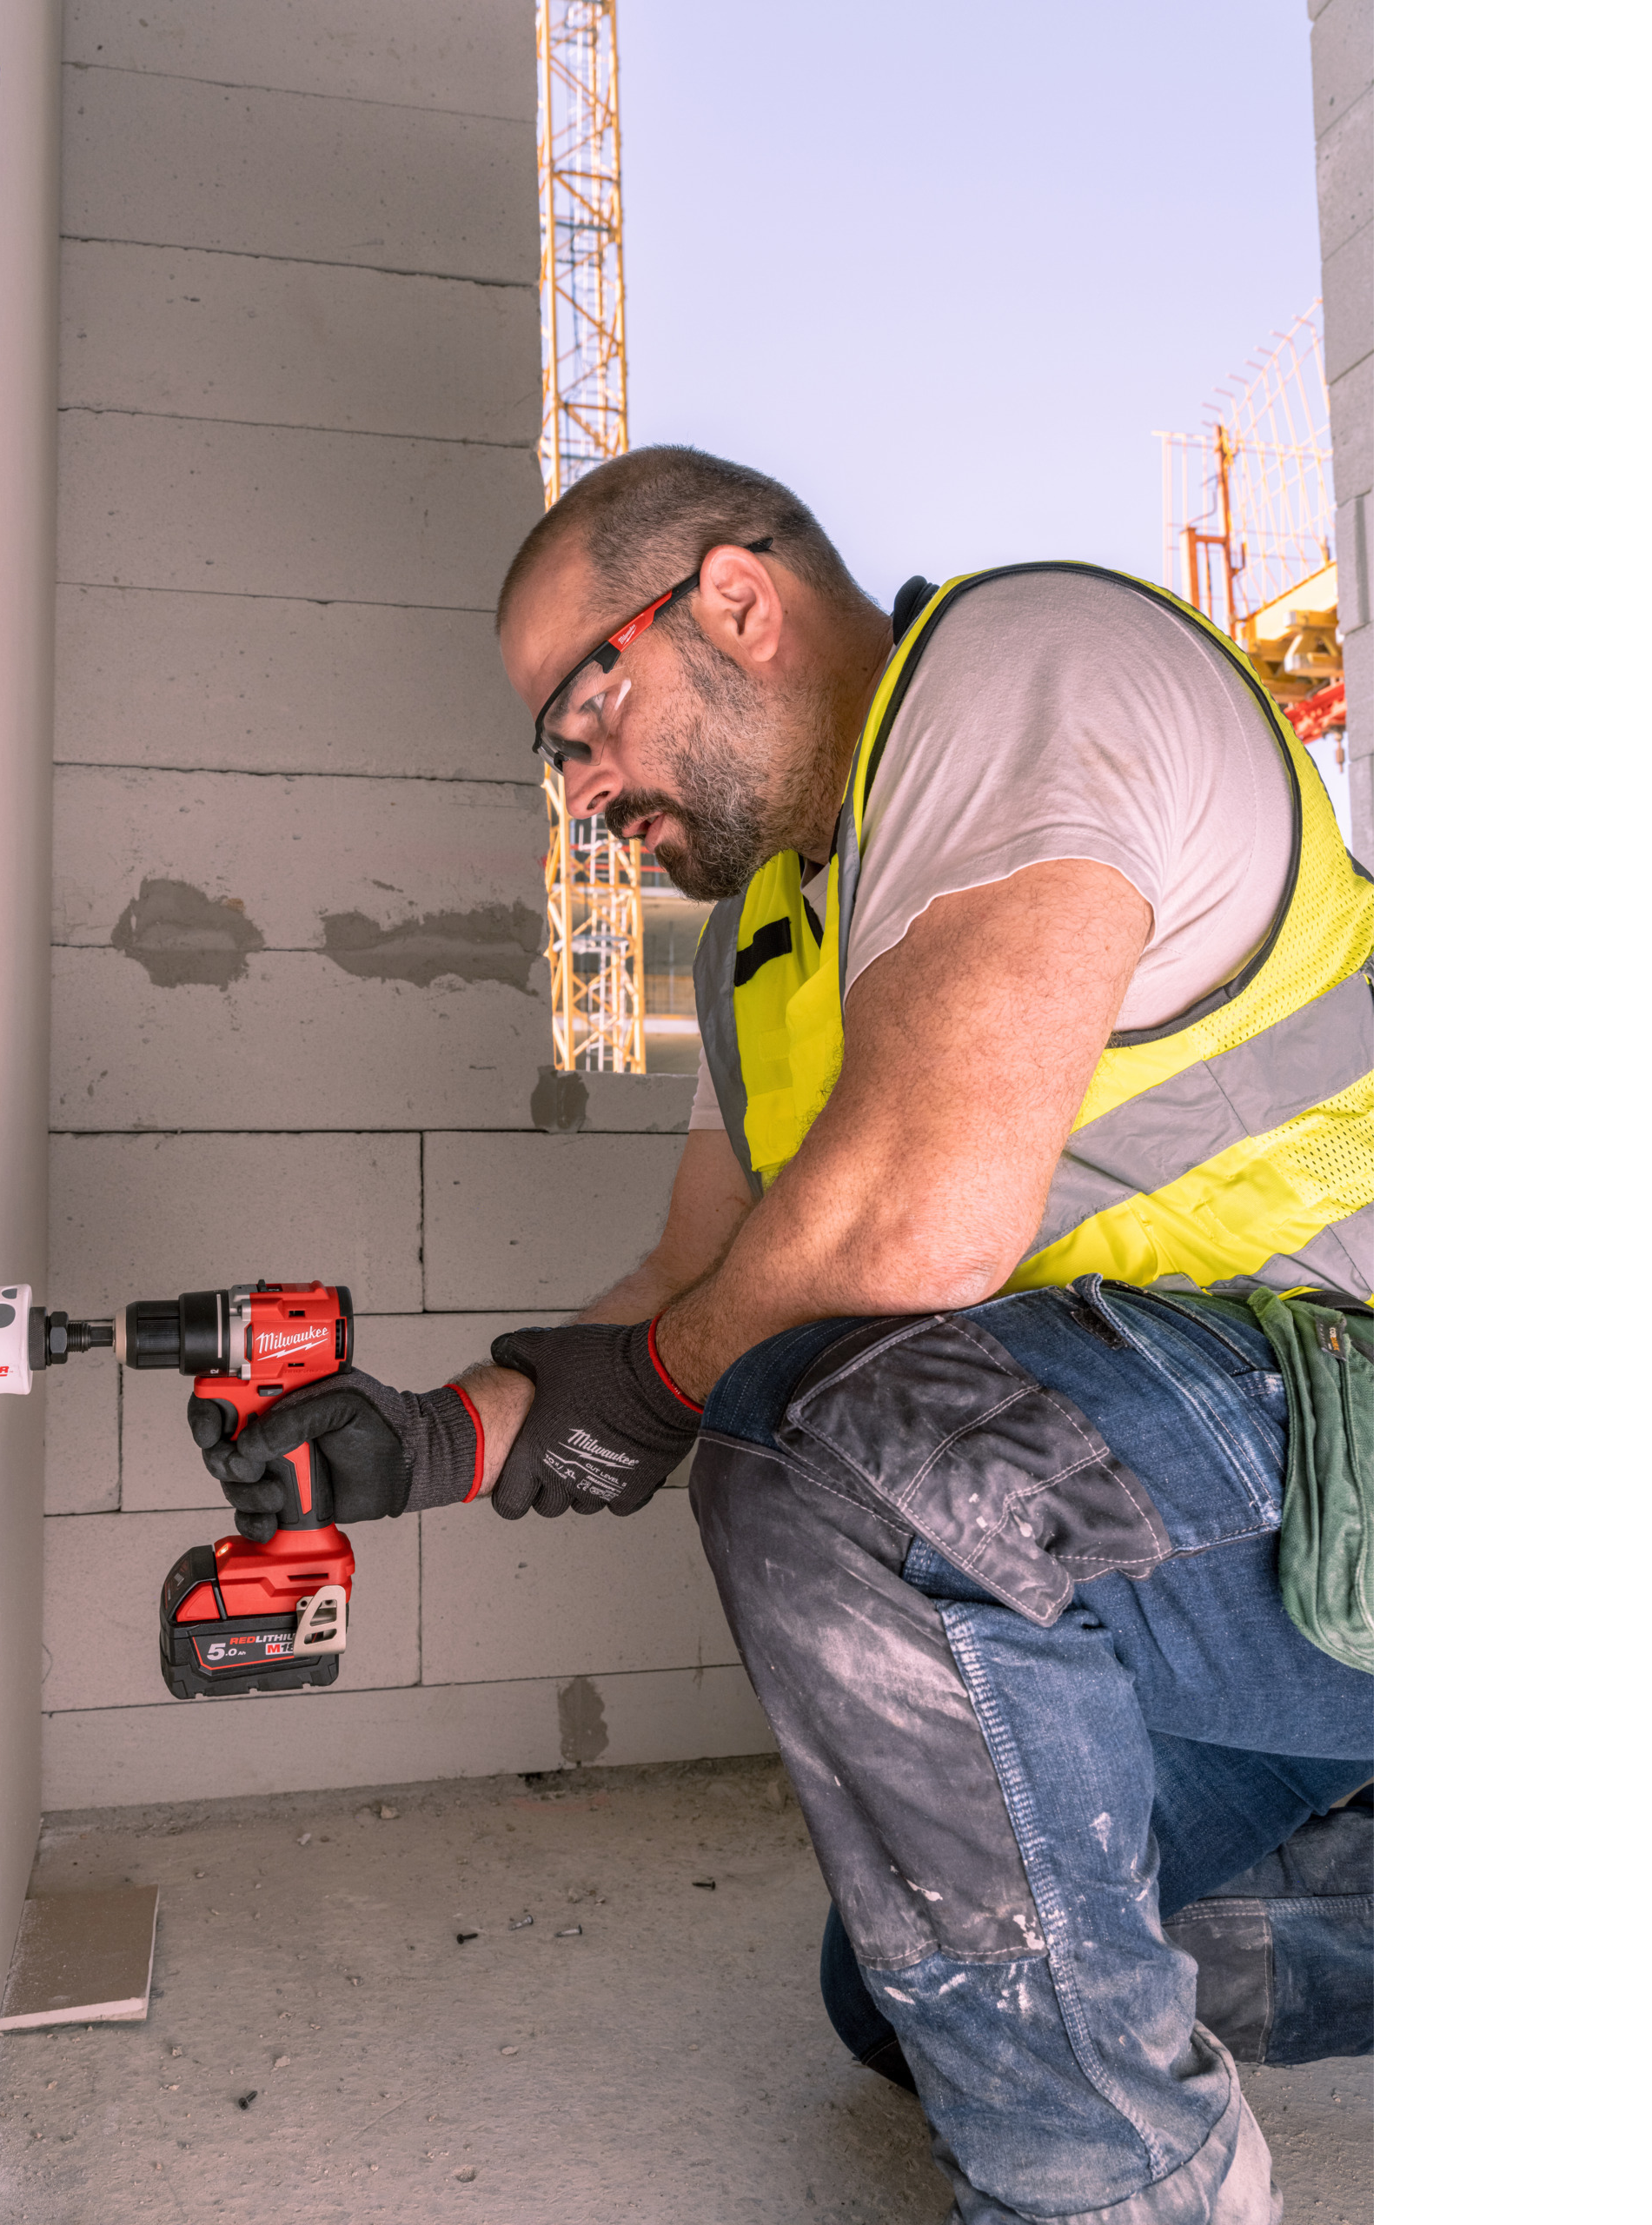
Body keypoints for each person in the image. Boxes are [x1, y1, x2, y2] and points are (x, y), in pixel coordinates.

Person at [188, 447, 1373, 2225]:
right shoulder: (763, 946)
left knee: (835, 1460)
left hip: (1371, 1441)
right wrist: (430, 1438)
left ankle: (1124, 2199)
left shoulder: (1021, 678)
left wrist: (662, 1386)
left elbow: (914, 1222)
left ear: (733, 603)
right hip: (1200, 1535)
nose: (582, 792)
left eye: (583, 719)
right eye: (553, 760)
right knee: (917, 1984)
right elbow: (703, 1280)